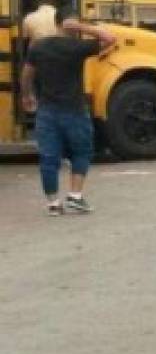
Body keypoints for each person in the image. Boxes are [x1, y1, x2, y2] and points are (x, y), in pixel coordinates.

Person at [20, 12, 116, 216]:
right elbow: (110, 39)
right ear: (71, 24)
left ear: (55, 24)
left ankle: (53, 203)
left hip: (46, 111)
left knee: (48, 157)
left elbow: (27, 74)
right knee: (82, 152)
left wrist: (26, 95)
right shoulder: (77, 48)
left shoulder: (39, 46)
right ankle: (75, 196)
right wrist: (83, 28)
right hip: (74, 110)